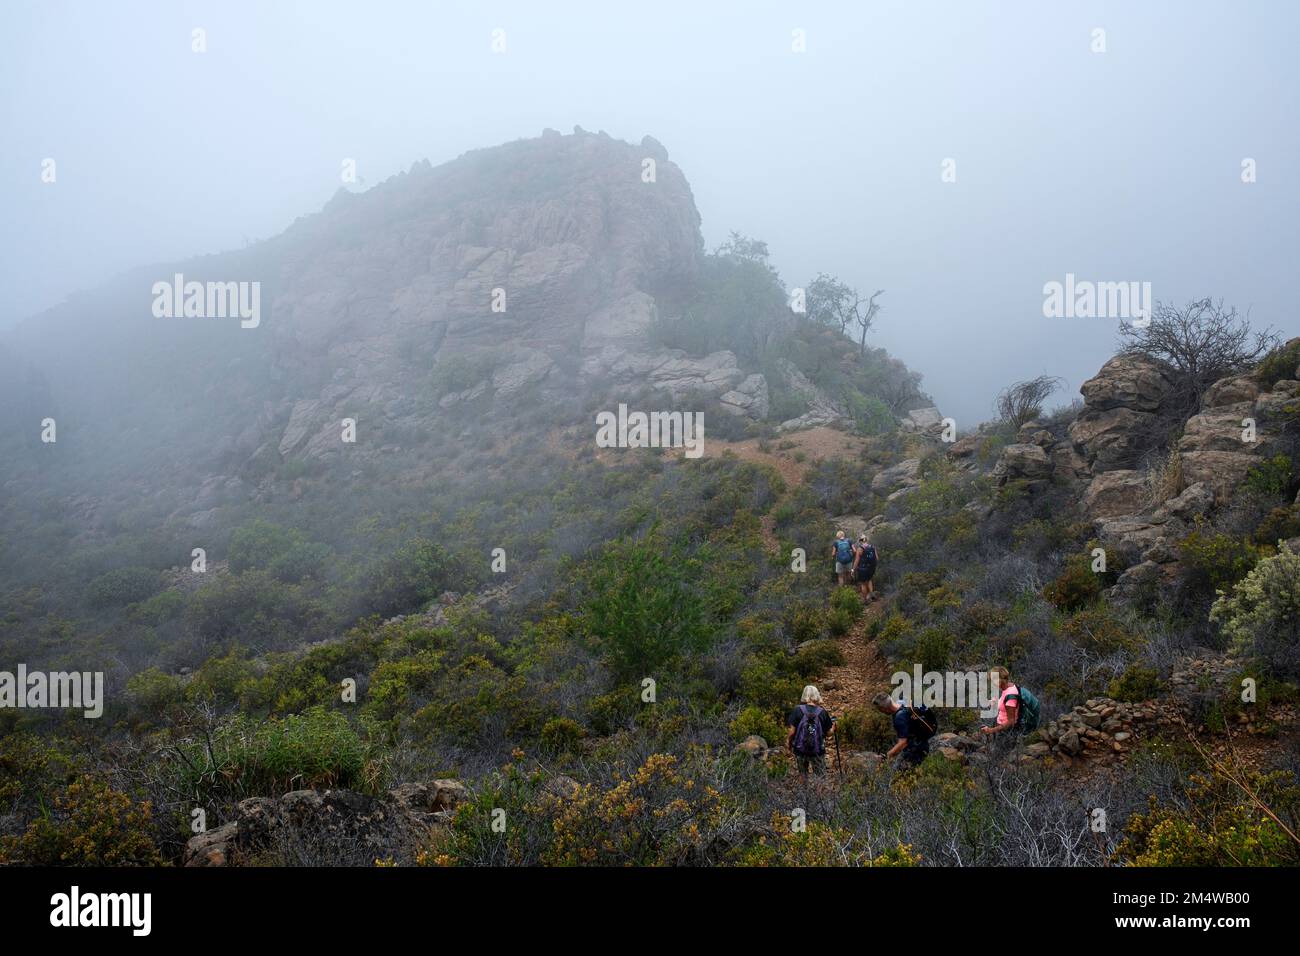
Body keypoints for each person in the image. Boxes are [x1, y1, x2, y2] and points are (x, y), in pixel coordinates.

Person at [872, 692, 931, 769]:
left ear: (884, 709)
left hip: (916, 750)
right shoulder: (902, 702)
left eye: (879, 709)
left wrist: (886, 756)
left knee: (900, 775)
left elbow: (903, 742)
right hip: (922, 742)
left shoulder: (899, 718)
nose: (880, 712)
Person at [787, 685, 834, 776]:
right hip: (818, 750)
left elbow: (792, 732)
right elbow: (829, 733)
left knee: (802, 775)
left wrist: (788, 742)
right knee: (820, 776)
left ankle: (803, 790)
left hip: (800, 749)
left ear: (804, 695)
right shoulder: (822, 712)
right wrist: (834, 728)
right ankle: (820, 790)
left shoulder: (797, 710)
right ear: (817, 695)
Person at [981, 666, 1019, 737]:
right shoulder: (1008, 687)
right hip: (1000, 726)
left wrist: (991, 730)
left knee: (1002, 748)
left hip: (1006, 732)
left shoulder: (1010, 695)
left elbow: (1011, 721)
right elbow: (1005, 704)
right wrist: (996, 702)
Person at [853, 534, 878, 603]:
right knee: (869, 580)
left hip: (863, 569)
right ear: (867, 540)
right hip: (871, 568)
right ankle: (872, 595)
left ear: (860, 541)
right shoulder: (872, 547)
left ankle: (865, 600)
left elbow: (856, 561)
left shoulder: (860, 549)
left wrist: (853, 569)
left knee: (863, 584)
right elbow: (877, 558)